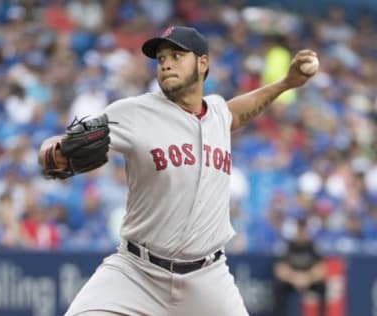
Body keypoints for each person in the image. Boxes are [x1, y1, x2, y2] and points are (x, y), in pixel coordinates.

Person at [39, 26, 317, 316]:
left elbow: (239, 111)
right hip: (137, 272)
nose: (166, 63)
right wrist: (51, 151)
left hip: (208, 278)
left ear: (202, 63)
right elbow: (60, 143)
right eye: (160, 59)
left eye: (176, 55)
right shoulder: (134, 112)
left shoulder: (218, 114)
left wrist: (285, 83)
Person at [273, 217, 327, 316]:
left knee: (322, 286)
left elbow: (321, 269)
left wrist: (307, 278)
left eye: (304, 230)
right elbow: (279, 269)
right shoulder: (288, 246)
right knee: (278, 287)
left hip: (309, 280)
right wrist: (295, 278)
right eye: (299, 229)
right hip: (292, 280)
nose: (302, 233)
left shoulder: (313, 246)